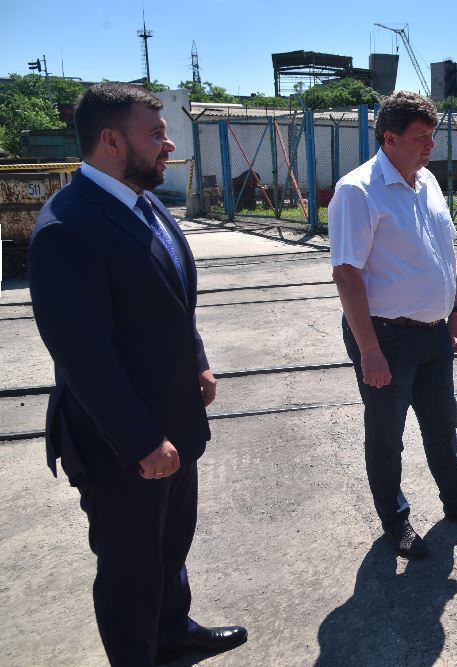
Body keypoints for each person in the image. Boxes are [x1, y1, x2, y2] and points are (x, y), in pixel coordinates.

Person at [28, 83, 246, 666]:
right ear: (110, 140)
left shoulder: (142, 200)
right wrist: (141, 441)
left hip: (173, 417)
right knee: (130, 567)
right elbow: (83, 356)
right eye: (156, 134)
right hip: (121, 442)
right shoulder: (68, 227)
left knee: (170, 546)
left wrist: (197, 358)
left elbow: (172, 298)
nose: (168, 144)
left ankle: (171, 631)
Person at [330, 91, 457, 560]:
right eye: (421, 137)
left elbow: (444, 254)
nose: (430, 145)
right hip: (386, 336)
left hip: (433, 332)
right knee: (387, 436)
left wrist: (455, 311)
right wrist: (369, 350)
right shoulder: (358, 191)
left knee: (442, 422)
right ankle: (395, 520)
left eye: (433, 135)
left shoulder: (426, 180)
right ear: (389, 138)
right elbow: (346, 274)